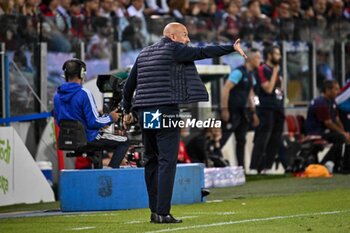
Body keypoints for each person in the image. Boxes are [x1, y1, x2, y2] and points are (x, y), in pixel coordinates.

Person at [122, 22, 247, 224]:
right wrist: (230, 48)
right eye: (185, 35)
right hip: (165, 110)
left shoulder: (144, 53)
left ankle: (155, 211)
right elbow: (202, 52)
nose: (188, 40)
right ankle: (163, 213)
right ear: (173, 37)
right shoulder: (174, 49)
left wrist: (126, 109)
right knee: (167, 161)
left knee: (151, 160)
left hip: (145, 112)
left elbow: (129, 85)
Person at [53, 58, 129, 168]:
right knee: (124, 141)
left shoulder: (57, 96)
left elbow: (62, 119)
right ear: (81, 74)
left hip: (69, 139)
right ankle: (111, 173)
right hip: (89, 138)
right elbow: (94, 122)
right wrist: (111, 118)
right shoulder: (84, 93)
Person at [220, 48, 261, 169]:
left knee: (241, 141)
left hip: (243, 113)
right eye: (258, 57)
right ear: (251, 59)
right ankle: (211, 161)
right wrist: (224, 109)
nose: (260, 60)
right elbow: (225, 89)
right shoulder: (238, 72)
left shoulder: (250, 75)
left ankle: (241, 169)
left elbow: (251, 95)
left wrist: (254, 113)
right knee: (223, 138)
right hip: (232, 111)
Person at [250, 45, 284, 174]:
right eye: (276, 54)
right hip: (266, 108)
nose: (279, 57)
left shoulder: (277, 70)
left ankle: (267, 167)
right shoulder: (262, 69)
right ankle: (253, 167)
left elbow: (279, 89)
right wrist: (275, 71)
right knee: (263, 138)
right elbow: (268, 89)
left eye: (279, 54)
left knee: (275, 139)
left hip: (278, 107)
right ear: (269, 55)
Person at [306, 80, 350, 173]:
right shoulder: (320, 103)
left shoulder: (332, 102)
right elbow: (328, 123)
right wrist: (342, 133)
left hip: (326, 132)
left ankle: (343, 166)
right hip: (316, 132)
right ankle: (325, 162)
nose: (339, 92)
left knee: (345, 137)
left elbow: (337, 119)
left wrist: (344, 132)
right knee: (340, 138)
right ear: (328, 90)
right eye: (336, 89)